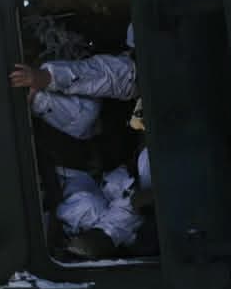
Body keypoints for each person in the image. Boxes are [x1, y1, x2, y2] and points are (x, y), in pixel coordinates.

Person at [11, 23, 149, 259]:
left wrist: (44, 79)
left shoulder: (122, 73)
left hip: (116, 154)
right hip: (83, 174)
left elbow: (112, 78)